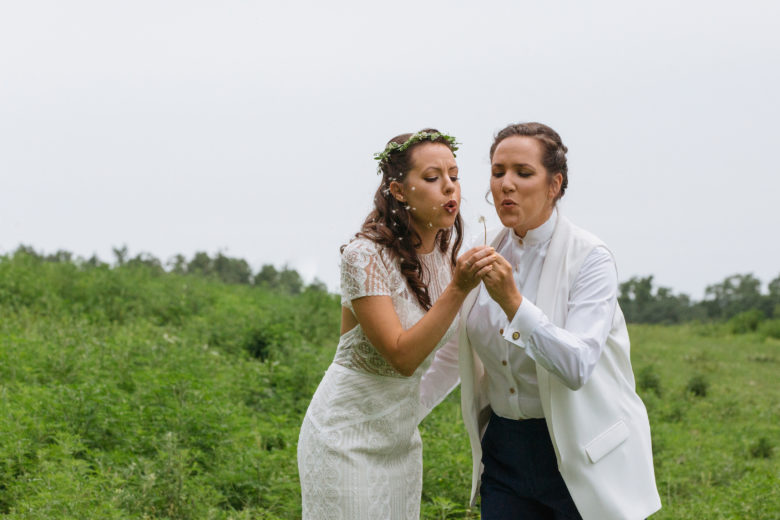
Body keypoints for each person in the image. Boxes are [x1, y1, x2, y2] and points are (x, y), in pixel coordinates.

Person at [458, 122, 662, 519]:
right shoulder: (483, 252)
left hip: (579, 451)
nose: (506, 184)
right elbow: (459, 350)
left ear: (555, 185)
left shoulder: (591, 258)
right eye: (498, 172)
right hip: (504, 453)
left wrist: (514, 303)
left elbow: (577, 364)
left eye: (523, 172)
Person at [297, 129, 494, 519]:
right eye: (432, 178)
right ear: (399, 190)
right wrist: (458, 288)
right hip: (344, 438)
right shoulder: (364, 256)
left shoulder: (446, 256)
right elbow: (401, 357)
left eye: (454, 176)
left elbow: (454, 348)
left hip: (401, 441)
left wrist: (414, 409)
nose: (449, 188)